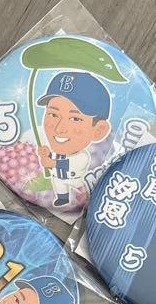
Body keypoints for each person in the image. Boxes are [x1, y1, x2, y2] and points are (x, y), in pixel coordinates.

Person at [34, 71, 113, 207]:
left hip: (75, 180)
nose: (59, 128)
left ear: (98, 130)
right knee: (58, 183)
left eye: (75, 119)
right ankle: (63, 198)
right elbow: (52, 160)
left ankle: (83, 197)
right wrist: (46, 155)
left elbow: (65, 164)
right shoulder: (57, 152)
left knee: (83, 191)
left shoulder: (82, 156)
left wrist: (51, 162)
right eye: (53, 114)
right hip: (59, 178)